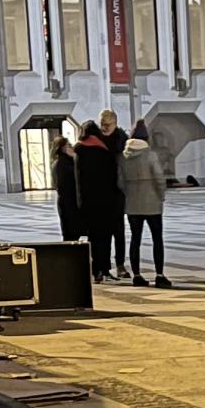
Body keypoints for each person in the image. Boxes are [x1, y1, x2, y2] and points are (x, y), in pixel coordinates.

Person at [119, 119, 170, 288]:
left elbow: (120, 181)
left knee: (135, 239)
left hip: (132, 204)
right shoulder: (150, 154)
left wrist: (129, 194)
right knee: (157, 239)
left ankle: (137, 275)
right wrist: (161, 196)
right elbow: (159, 178)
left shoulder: (123, 156)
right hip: (152, 203)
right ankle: (160, 274)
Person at [73, 119, 124, 282]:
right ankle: (106, 269)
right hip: (106, 201)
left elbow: (78, 180)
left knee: (94, 238)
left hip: (89, 202)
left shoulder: (79, 150)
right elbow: (113, 177)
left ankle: (96, 271)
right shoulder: (104, 151)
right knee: (106, 236)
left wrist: (80, 203)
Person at [97, 109, 129, 276]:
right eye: (101, 124)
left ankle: (120, 264)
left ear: (115, 123)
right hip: (102, 191)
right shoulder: (97, 139)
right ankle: (104, 266)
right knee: (103, 232)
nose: (103, 127)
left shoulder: (122, 139)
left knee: (119, 230)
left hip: (118, 191)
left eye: (107, 124)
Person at [53, 134, 81, 242]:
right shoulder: (62, 164)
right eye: (69, 145)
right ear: (63, 148)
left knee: (71, 234)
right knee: (71, 235)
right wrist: (75, 157)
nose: (72, 147)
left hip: (68, 203)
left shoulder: (63, 162)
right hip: (69, 204)